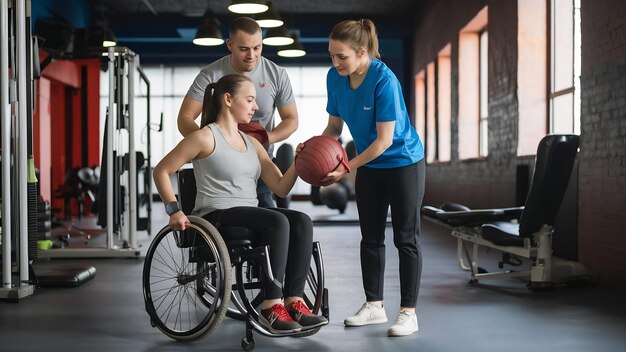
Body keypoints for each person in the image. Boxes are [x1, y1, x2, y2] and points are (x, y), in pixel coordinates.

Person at [153, 74, 327, 334]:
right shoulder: (204, 137)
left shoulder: (253, 143)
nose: (255, 107)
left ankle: (294, 301)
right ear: (228, 100)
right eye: (249, 100)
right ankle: (271, 305)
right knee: (276, 220)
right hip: (215, 217)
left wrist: (299, 162)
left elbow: (280, 186)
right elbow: (161, 170)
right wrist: (174, 209)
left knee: (300, 220)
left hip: (249, 214)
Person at [322, 19, 425, 337]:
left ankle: (408, 312)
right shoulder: (335, 78)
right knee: (370, 237)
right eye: (332, 55)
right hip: (369, 165)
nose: (335, 62)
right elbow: (334, 129)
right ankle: (374, 305)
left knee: (405, 238)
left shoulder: (384, 80)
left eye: (342, 56)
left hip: (403, 162)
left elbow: (383, 141)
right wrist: (318, 150)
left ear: (362, 52)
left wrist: (346, 167)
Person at [177, 16, 298, 208]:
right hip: (221, 168)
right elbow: (185, 117)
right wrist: (213, 146)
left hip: (259, 161)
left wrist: (268, 137)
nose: (251, 55)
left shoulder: (276, 74)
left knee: (274, 221)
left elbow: (291, 119)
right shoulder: (211, 74)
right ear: (230, 45)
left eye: (257, 48)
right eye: (244, 49)